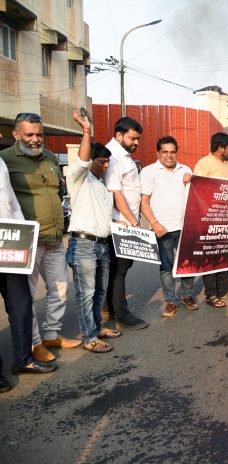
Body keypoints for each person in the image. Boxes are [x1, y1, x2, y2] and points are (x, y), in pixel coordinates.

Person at [0, 112, 81, 360]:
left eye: (39, 134)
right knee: (27, 297)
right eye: (29, 135)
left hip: (56, 237)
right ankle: (34, 343)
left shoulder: (48, 157)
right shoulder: (5, 160)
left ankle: (51, 335)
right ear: (15, 135)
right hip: (27, 242)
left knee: (59, 290)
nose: (36, 139)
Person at [0, 144, 57, 389]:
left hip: (11, 241)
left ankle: (24, 359)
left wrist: (25, 235)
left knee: (21, 304)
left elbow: (10, 202)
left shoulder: (0, 163)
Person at [66, 111, 121, 352]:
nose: (106, 165)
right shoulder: (78, 179)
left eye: (108, 162)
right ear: (92, 161)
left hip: (103, 244)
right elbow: (82, 161)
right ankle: (89, 338)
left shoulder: (101, 186)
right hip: (84, 245)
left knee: (99, 291)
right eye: (103, 161)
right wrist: (86, 131)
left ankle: (96, 327)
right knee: (86, 293)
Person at [139, 136, 197, 318]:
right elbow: (144, 201)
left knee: (186, 264)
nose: (169, 156)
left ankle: (187, 295)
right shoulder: (149, 172)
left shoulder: (185, 170)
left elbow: (196, 197)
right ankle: (171, 300)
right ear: (158, 153)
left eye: (172, 152)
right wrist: (154, 223)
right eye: (165, 152)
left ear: (176, 152)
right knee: (166, 266)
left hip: (184, 227)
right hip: (161, 228)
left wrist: (193, 180)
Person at [104, 116, 149, 330]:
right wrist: (133, 222)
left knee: (119, 268)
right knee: (119, 268)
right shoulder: (113, 155)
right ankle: (121, 314)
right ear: (119, 135)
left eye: (138, 139)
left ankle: (109, 308)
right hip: (121, 223)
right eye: (133, 138)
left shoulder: (124, 155)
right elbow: (115, 193)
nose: (137, 143)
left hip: (126, 221)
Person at [193, 132, 228, 307]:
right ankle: (211, 295)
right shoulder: (203, 164)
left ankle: (224, 290)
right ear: (220, 148)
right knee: (211, 258)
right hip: (209, 219)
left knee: (224, 256)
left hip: (227, 219)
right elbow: (197, 191)